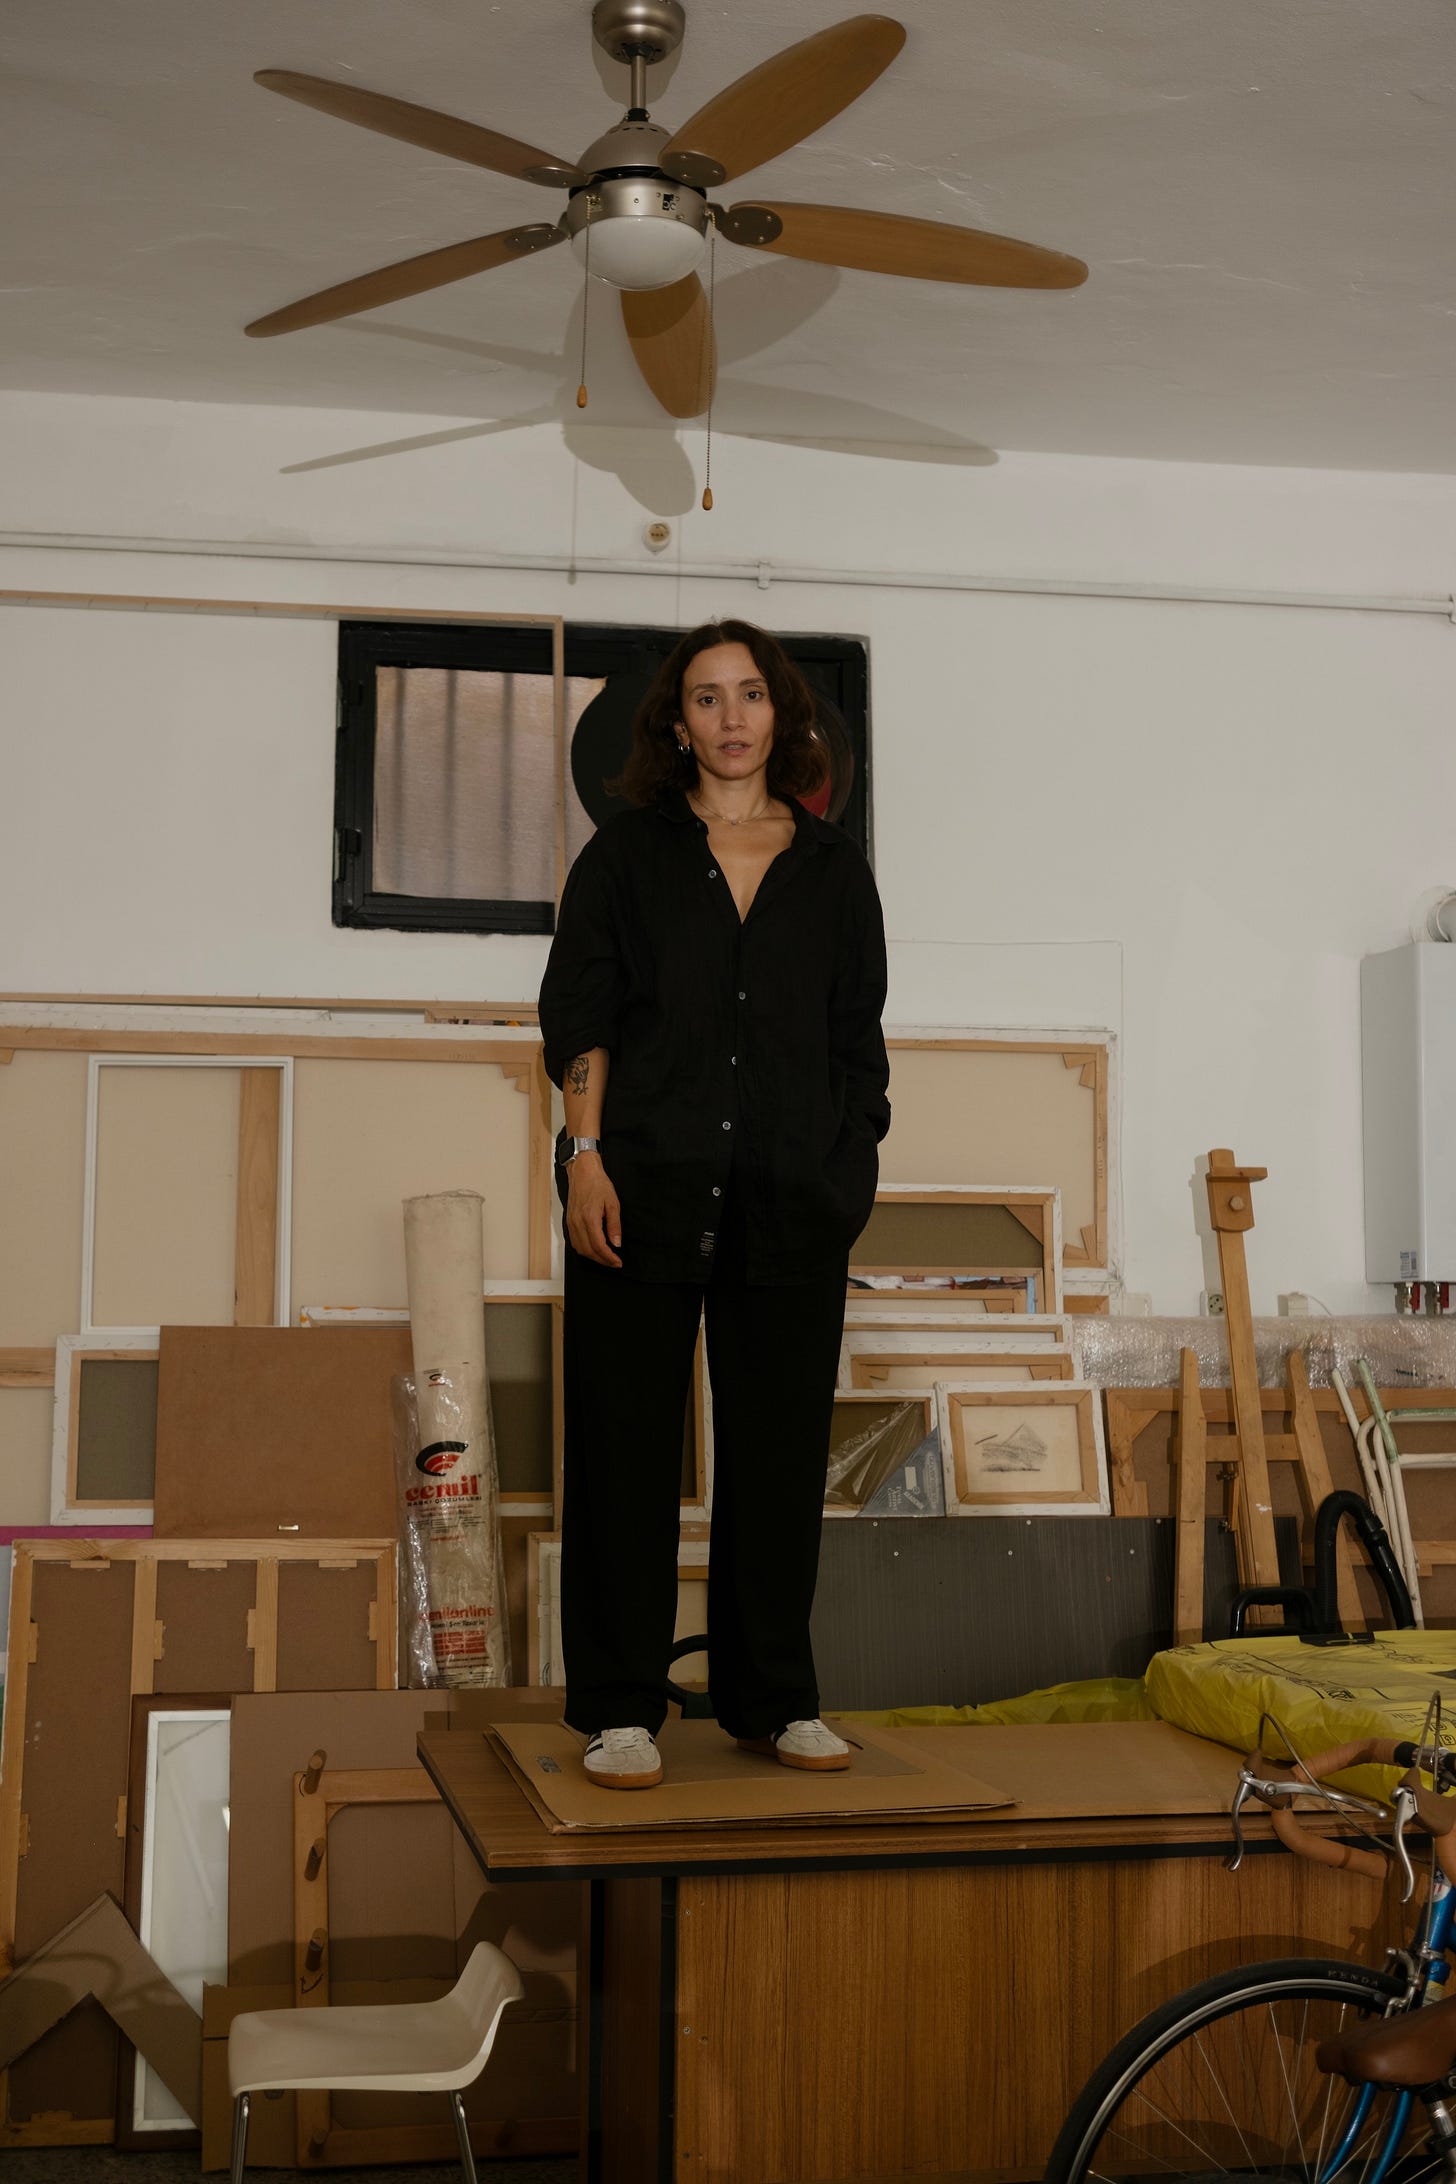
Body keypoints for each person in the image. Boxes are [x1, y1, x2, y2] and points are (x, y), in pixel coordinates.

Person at [537, 618, 890, 1789]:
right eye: (705, 698)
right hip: (635, 1194)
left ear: (782, 714)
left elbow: (855, 1046)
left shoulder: (836, 871)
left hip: (793, 1202)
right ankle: (619, 1707)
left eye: (749, 695)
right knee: (623, 1454)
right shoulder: (626, 857)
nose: (730, 718)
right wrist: (582, 1155)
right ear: (673, 722)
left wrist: (847, 1174)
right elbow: (578, 1018)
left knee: (778, 1461)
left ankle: (772, 1699)